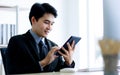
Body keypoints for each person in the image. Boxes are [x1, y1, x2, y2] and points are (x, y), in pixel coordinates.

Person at [6, 2, 75, 74]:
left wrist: (68, 62)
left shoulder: (53, 45)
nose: (50, 28)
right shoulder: (17, 42)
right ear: (33, 20)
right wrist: (44, 62)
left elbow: (60, 71)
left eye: (52, 24)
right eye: (46, 22)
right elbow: (12, 71)